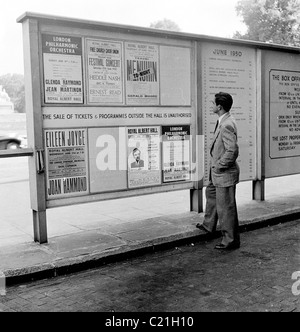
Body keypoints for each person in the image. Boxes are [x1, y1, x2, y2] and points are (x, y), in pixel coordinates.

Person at [196, 92, 240, 250]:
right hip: (217, 172)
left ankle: (230, 240)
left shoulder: (227, 124)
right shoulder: (224, 119)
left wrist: (219, 165)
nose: (211, 105)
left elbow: (232, 151)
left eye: (212, 103)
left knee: (226, 207)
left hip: (223, 172)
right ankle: (208, 225)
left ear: (219, 107)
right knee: (212, 195)